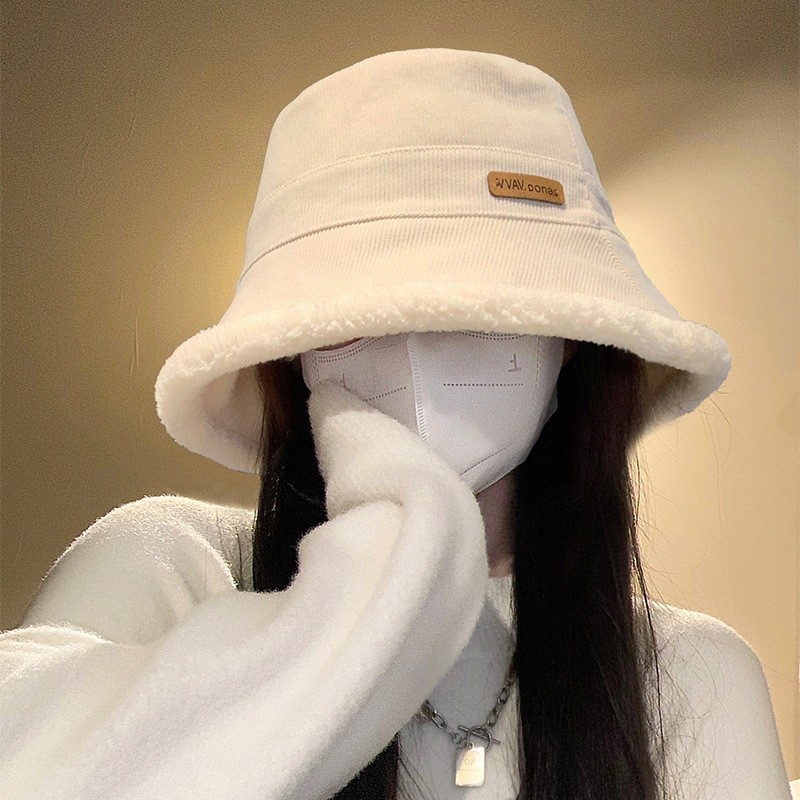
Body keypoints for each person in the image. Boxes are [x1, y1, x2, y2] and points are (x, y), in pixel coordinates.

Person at [0, 48, 792, 800]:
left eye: (479, 307)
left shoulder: (691, 679)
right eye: (354, 318)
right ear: (292, 355)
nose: (413, 349)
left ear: (575, 340)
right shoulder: (177, 573)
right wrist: (365, 582)